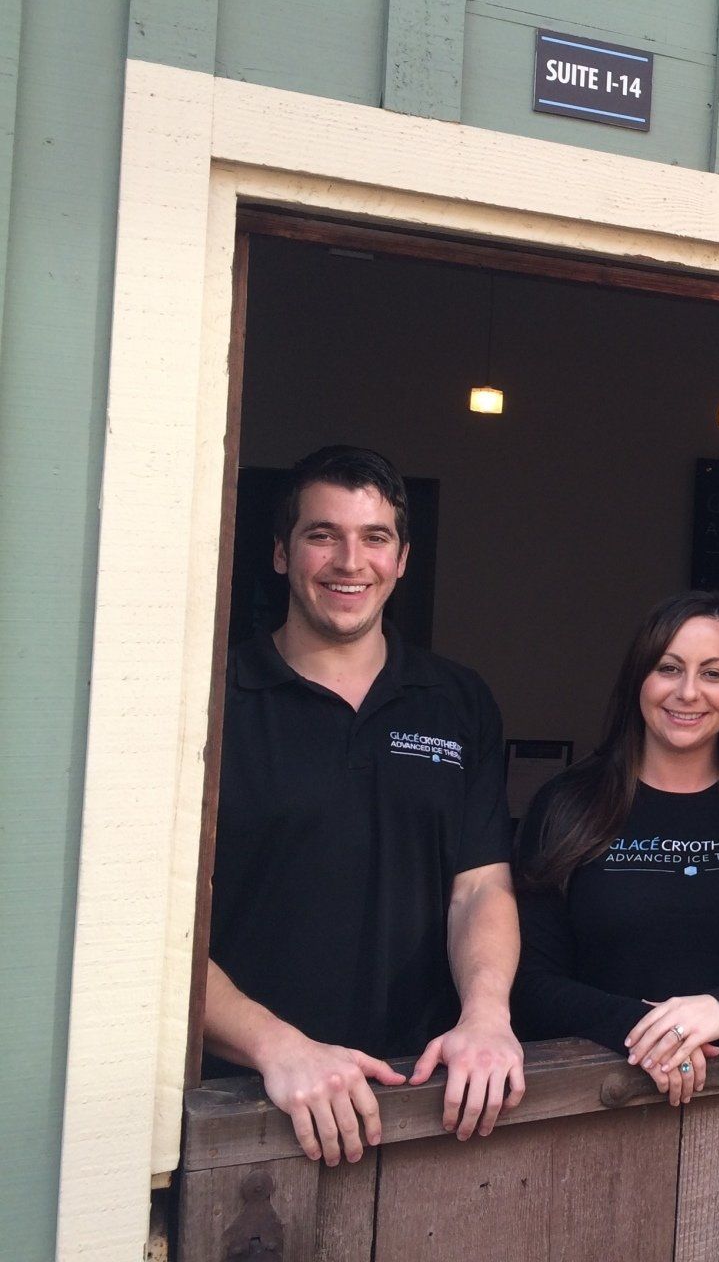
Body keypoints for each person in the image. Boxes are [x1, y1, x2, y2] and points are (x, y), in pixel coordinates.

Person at [204, 445, 524, 1166]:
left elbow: (479, 886)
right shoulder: (213, 698)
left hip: (426, 1096)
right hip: (249, 1104)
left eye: (374, 537)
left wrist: (486, 1015)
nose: (351, 561)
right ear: (283, 554)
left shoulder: (457, 700)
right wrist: (277, 1047)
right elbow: (154, 930)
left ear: (402, 558)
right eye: (324, 535)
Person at [512, 590, 719, 1106]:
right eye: (669, 668)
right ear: (638, 680)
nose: (688, 692)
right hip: (585, 1100)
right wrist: (643, 1028)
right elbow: (528, 979)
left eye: (712, 673)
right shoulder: (569, 804)